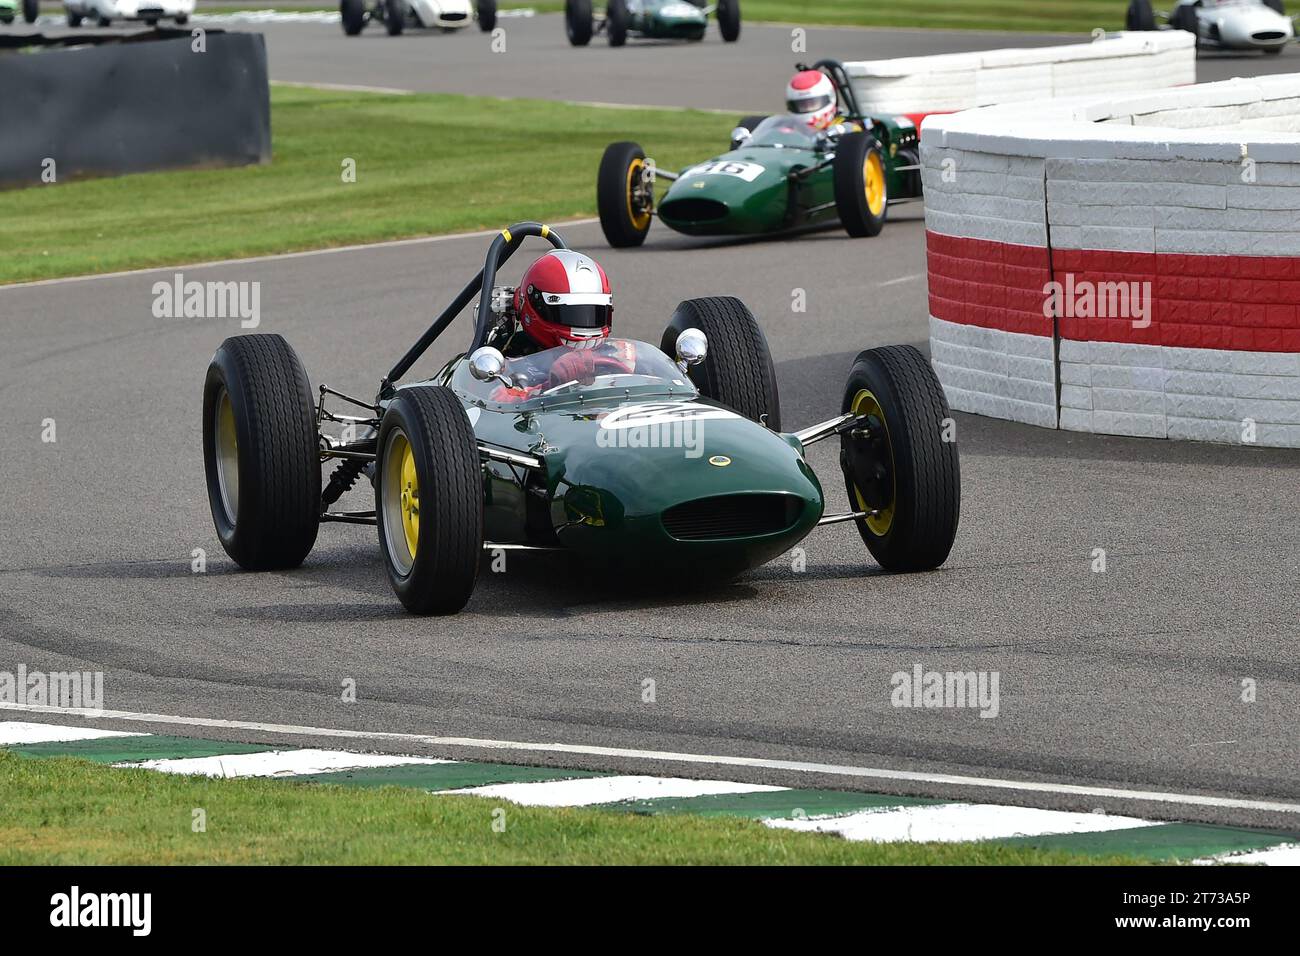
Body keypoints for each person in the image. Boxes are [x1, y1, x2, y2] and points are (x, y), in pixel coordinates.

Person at [489, 249, 638, 402]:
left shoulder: (617, 355)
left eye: (594, 313)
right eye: (571, 313)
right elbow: (492, 401)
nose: (584, 324)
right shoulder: (506, 363)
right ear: (536, 306)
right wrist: (550, 386)